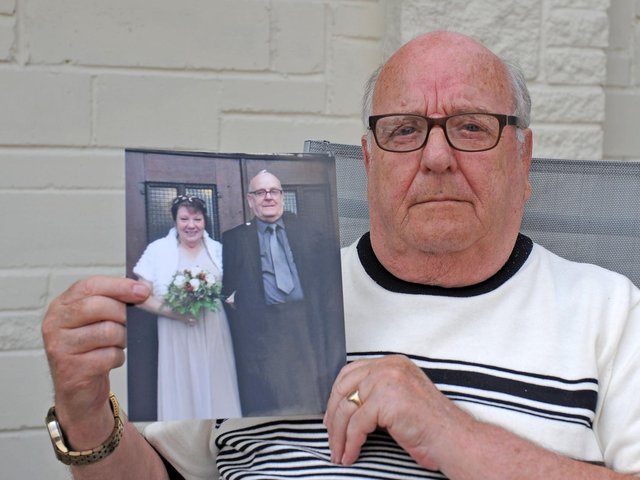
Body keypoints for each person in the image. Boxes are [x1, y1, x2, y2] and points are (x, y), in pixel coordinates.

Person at [40, 31, 640, 479]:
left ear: (522, 158)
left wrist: (454, 435)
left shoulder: (610, 312)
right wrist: (84, 409)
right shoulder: (256, 296)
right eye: (404, 130)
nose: (436, 158)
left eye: (472, 127)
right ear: (370, 160)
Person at [221, 170, 344, 416]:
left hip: (304, 322)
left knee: (309, 390)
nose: (268, 197)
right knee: (271, 396)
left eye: (274, 191)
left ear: (282, 197)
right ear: (250, 200)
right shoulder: (234, 239)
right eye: (260, 192)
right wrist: (234, 298)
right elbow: (224, 287)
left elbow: (327, 281)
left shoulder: (310, 233)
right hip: (261, 328)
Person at [132, 195, 241, 420]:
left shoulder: (218, 250)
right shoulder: (157, 250)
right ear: (175, 221)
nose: (191, 225)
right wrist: (173, 313)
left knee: (218, 385)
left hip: (214, 329)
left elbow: (234, 287)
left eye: (197, 219)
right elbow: (139, 297)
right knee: (181, 387)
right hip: (176, 331)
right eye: (184, 219)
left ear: (204, 221)